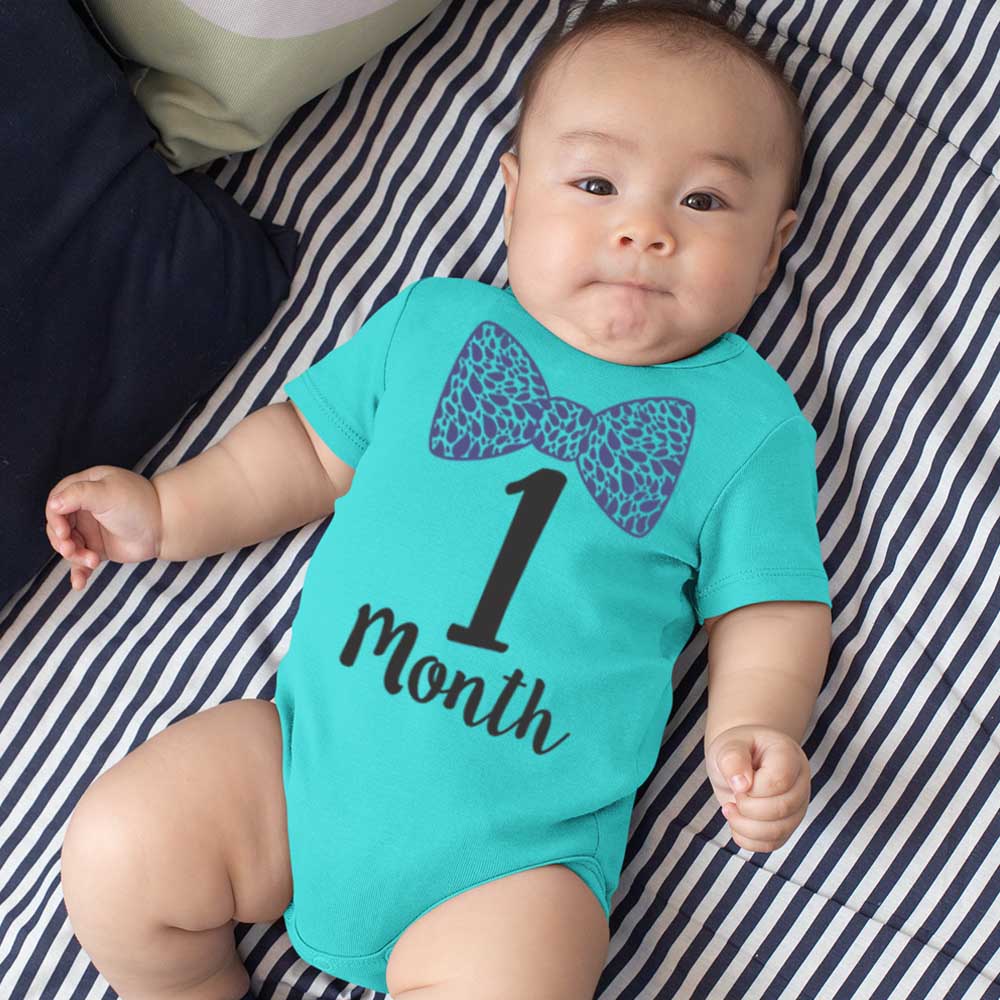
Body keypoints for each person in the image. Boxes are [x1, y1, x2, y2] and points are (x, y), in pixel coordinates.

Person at [52, 2, 833, 998]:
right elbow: (300, 449)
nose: (643, 230)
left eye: (705, 201)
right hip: (301, 764)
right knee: (119, 846)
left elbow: (768, 604)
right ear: (512, 197)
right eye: (596, 184)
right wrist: (166, 511)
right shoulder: (435, 325)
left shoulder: (748, 423)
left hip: (514, 862)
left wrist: (754, 726)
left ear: (772, 247)